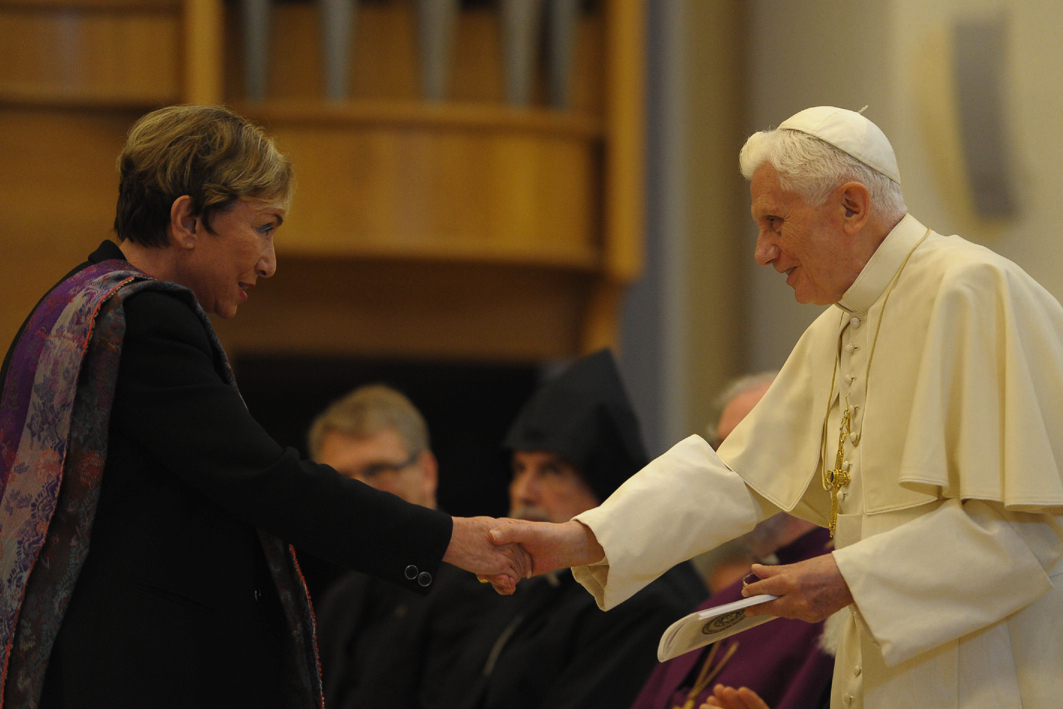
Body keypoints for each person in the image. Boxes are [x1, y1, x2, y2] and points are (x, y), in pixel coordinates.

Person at [490, 106, 1063, 709]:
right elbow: (735, 476)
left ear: (851, 206)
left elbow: (1031, 532)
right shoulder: (838, 329)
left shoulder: (975, 291)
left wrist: (847, 576)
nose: (763, 252)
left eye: (775, 222)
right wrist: (582, 538)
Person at [0, 104, 528, 709]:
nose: (270, 262)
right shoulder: (143, 323)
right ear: (188, 219)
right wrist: (448, 538)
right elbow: (268, 482)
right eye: (265, 227)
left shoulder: (71, 304)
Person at [433, 350, 707, 709]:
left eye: (551, 471)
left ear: (606, 484)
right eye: (519, 469)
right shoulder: (528, 586)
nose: (523, 492)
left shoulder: (644, 601)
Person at [632, 373, 834, 709]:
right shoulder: (723, 601)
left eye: (746, 446)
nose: (725, 469)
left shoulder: (836, 593)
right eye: (721, 449)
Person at [308, 384, 499, 709]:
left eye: (378, 470)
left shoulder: (476, 585)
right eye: (338, 482)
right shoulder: (340, 599)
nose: (358, 495)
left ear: (427, 472)